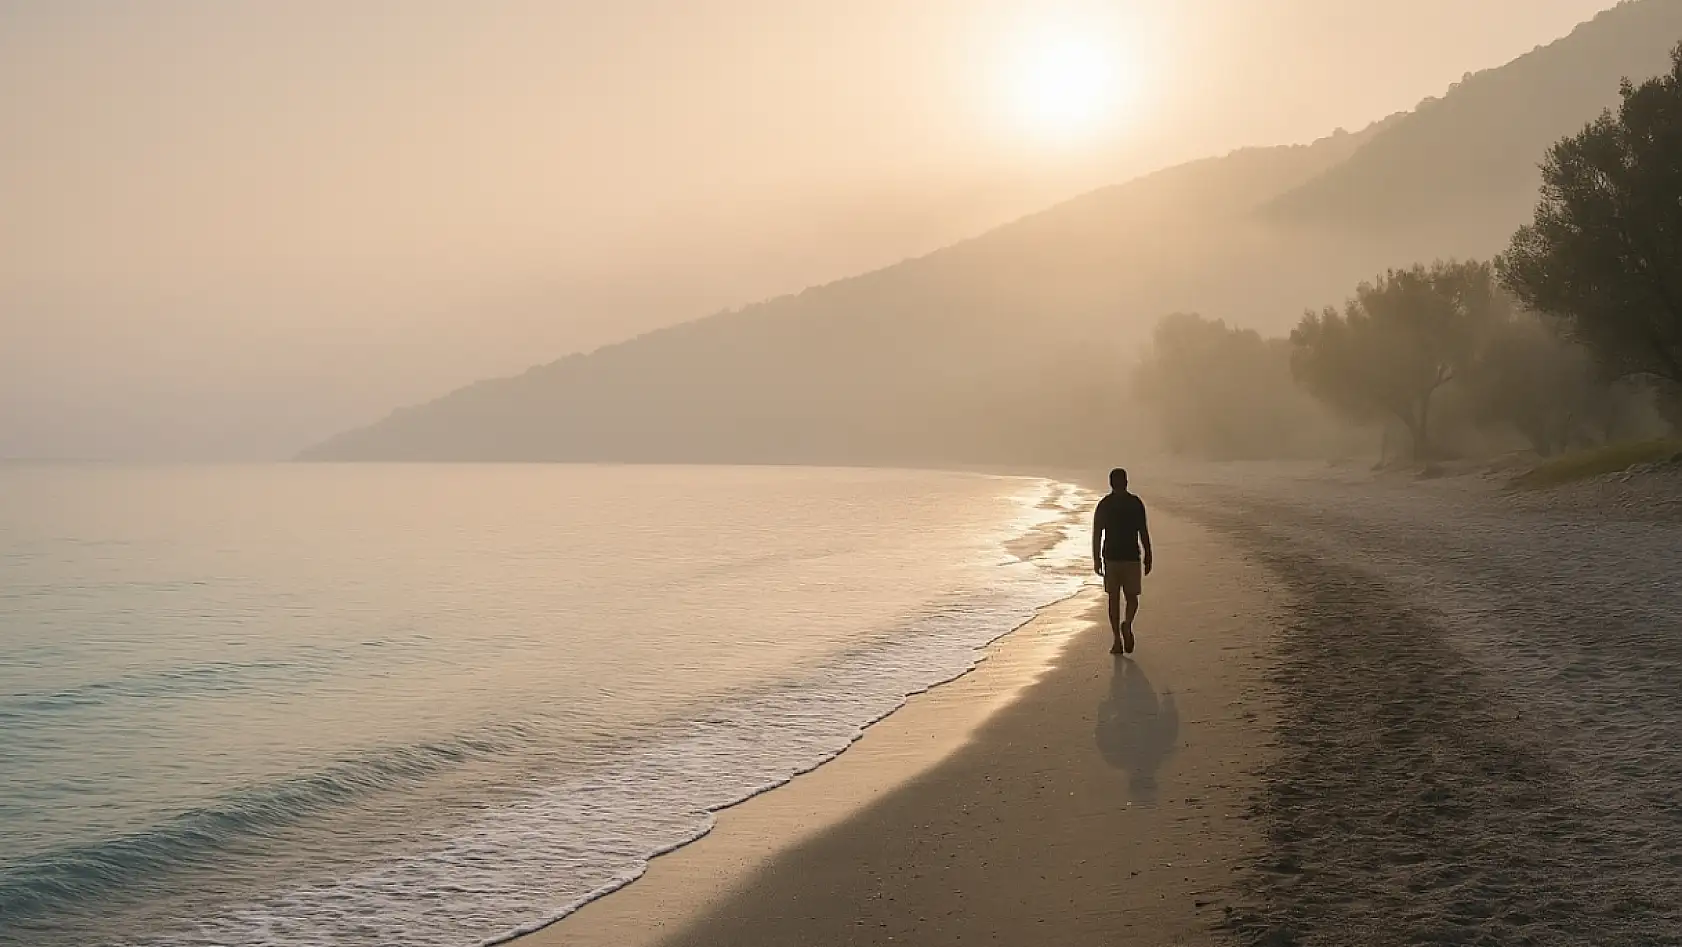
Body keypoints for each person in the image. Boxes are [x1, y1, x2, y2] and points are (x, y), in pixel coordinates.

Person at [1092, 467, 1152, 654]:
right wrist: (1148, 555)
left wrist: (1096, 559)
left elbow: (1097, 534)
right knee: (1132, 598)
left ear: (1111, 483)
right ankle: (1127, 624)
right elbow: (1143, 531)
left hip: (1111, 558)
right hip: (1132, 557)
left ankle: (1117, 639)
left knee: (1113, 600)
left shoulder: (1104, 504)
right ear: (1126, 482)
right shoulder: (1135, 503)